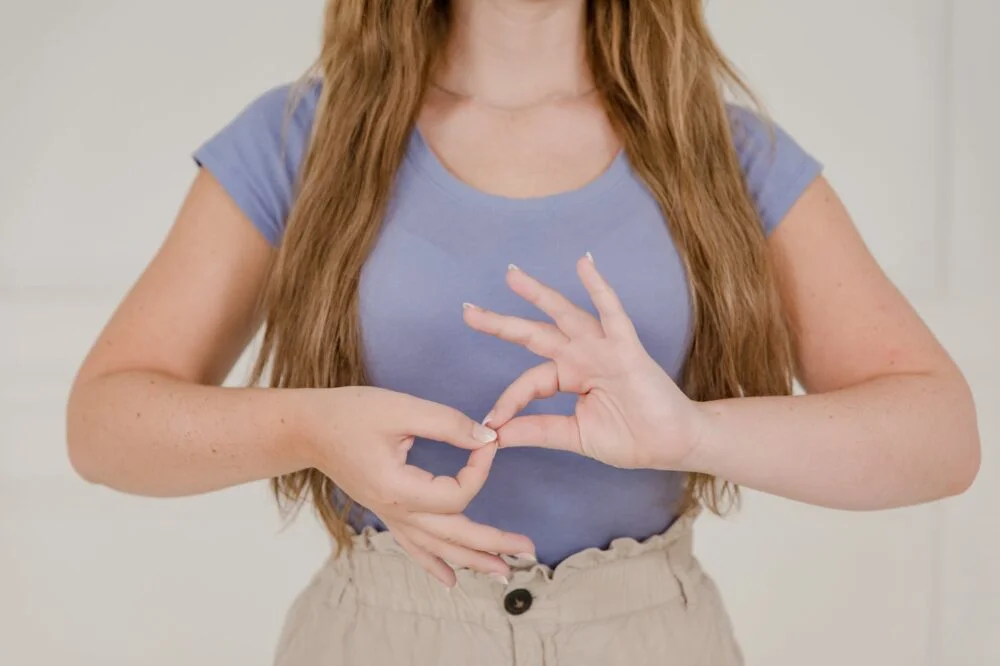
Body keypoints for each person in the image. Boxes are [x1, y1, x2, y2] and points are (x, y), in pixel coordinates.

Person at [66, 1, 981, 664]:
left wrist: (694, 432)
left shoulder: (727, 154)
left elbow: (941, 437)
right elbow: (103, 424)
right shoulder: (297, 139)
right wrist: (306, 428)